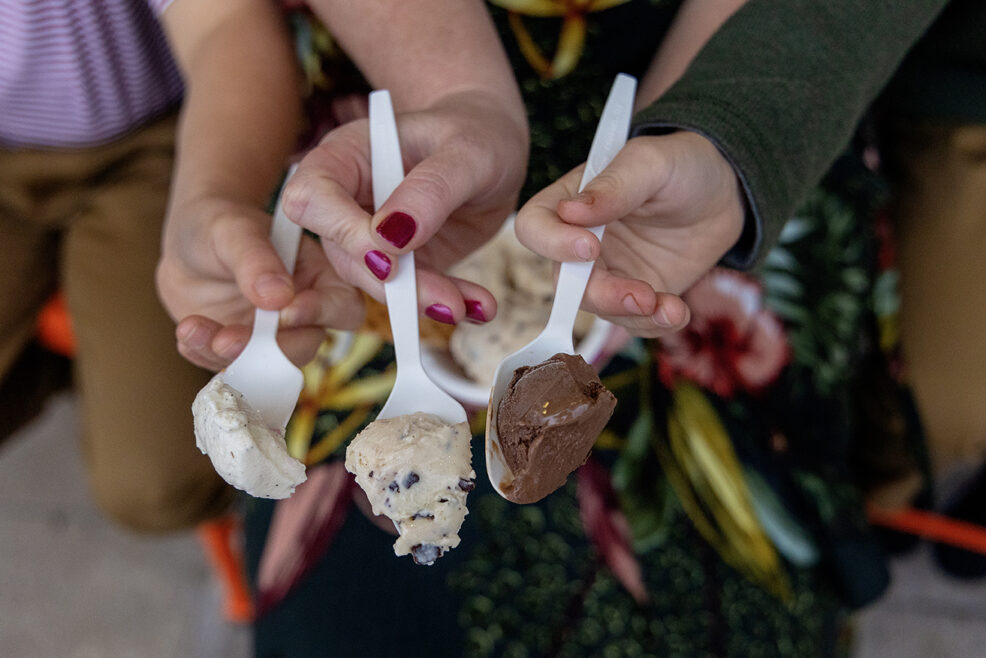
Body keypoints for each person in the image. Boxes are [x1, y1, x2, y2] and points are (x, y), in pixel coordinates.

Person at [0, 0, 348, 532]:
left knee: (159, 487)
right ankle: (80, 366)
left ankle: (92, 366)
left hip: (159, 143)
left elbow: (225, 25)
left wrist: (213, 197)